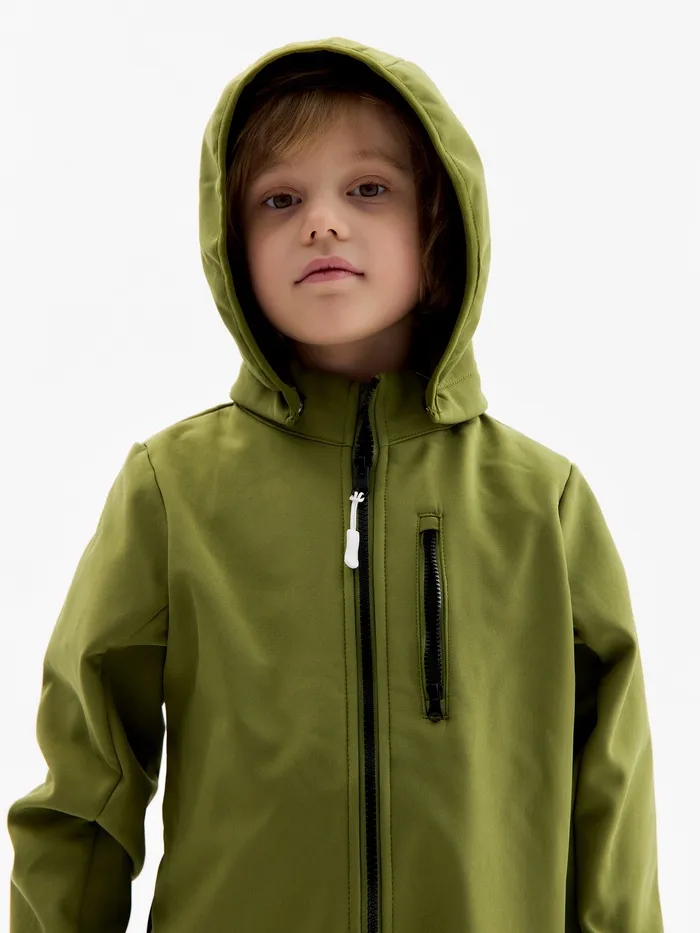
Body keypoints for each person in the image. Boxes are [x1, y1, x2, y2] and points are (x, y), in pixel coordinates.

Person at [6, 36, 665, 933]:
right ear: (234, 245)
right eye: (279, 199)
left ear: (437, 225)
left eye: (368, 189)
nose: (321, 222)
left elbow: (613, 802)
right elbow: (90, 779)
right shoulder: (173, 489)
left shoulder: (539, 502)